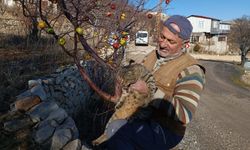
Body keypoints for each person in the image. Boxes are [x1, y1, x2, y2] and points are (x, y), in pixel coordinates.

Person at [99, 15, 206, 150]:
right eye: (162, 37)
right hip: (141, 116)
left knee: (121, 133)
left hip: (166, 128)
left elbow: (184, 114)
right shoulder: (152, 55)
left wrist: (151, 92)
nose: (162, 44)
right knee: (111, 131)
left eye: (170, 41)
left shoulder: (192, 70)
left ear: (184, 44)